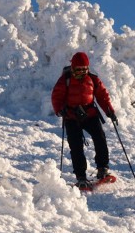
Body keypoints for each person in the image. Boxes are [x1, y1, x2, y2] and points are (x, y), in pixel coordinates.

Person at [51, 51, 118, 189]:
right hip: (71, 116)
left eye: (84, 69)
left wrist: (109, 111)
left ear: (87, 68)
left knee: (100, 137)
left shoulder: (93, 79)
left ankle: (102, 169)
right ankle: (81, 176)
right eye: (78, 69)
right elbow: (56, 96)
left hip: (90, 114)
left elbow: (103, 97)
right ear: (73, 67)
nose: (81, 72)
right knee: (76, 146)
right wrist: (60, 109)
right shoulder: (65, 80)